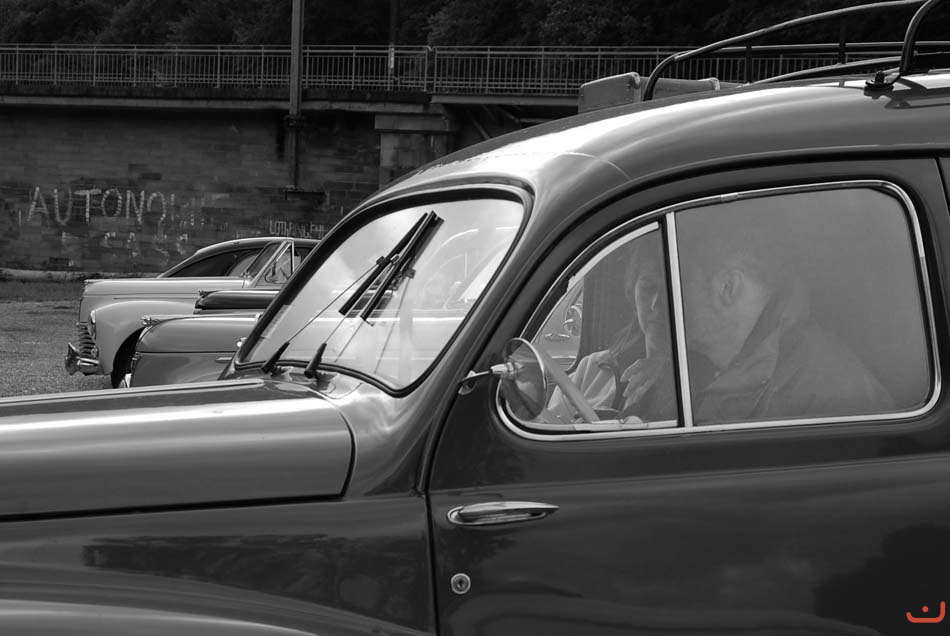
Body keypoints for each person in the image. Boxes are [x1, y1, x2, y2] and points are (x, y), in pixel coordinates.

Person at [678, 228, 893, 425]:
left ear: (728, 287)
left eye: (684, 281)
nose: (672, 297)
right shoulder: (712, 368)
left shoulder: (832, 393)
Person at [548, 233, 683, 423]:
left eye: (672, 290)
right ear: (631, 293)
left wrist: (668, 377)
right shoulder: (592, 369)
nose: (656, 304)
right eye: (648, 288)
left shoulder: (701, 381)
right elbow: (549, 430)